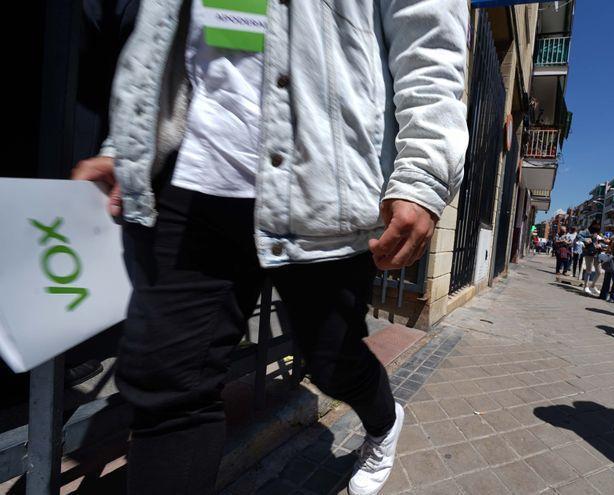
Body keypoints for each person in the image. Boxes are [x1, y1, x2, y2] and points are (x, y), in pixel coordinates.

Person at [71, 0, 470, 494]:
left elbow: (430, 44)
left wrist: (422, 174)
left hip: (326, 187)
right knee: (168, 391)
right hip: (194, 181)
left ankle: (384, 422)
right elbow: (159, 40)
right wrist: (126, 146)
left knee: (333, 362)